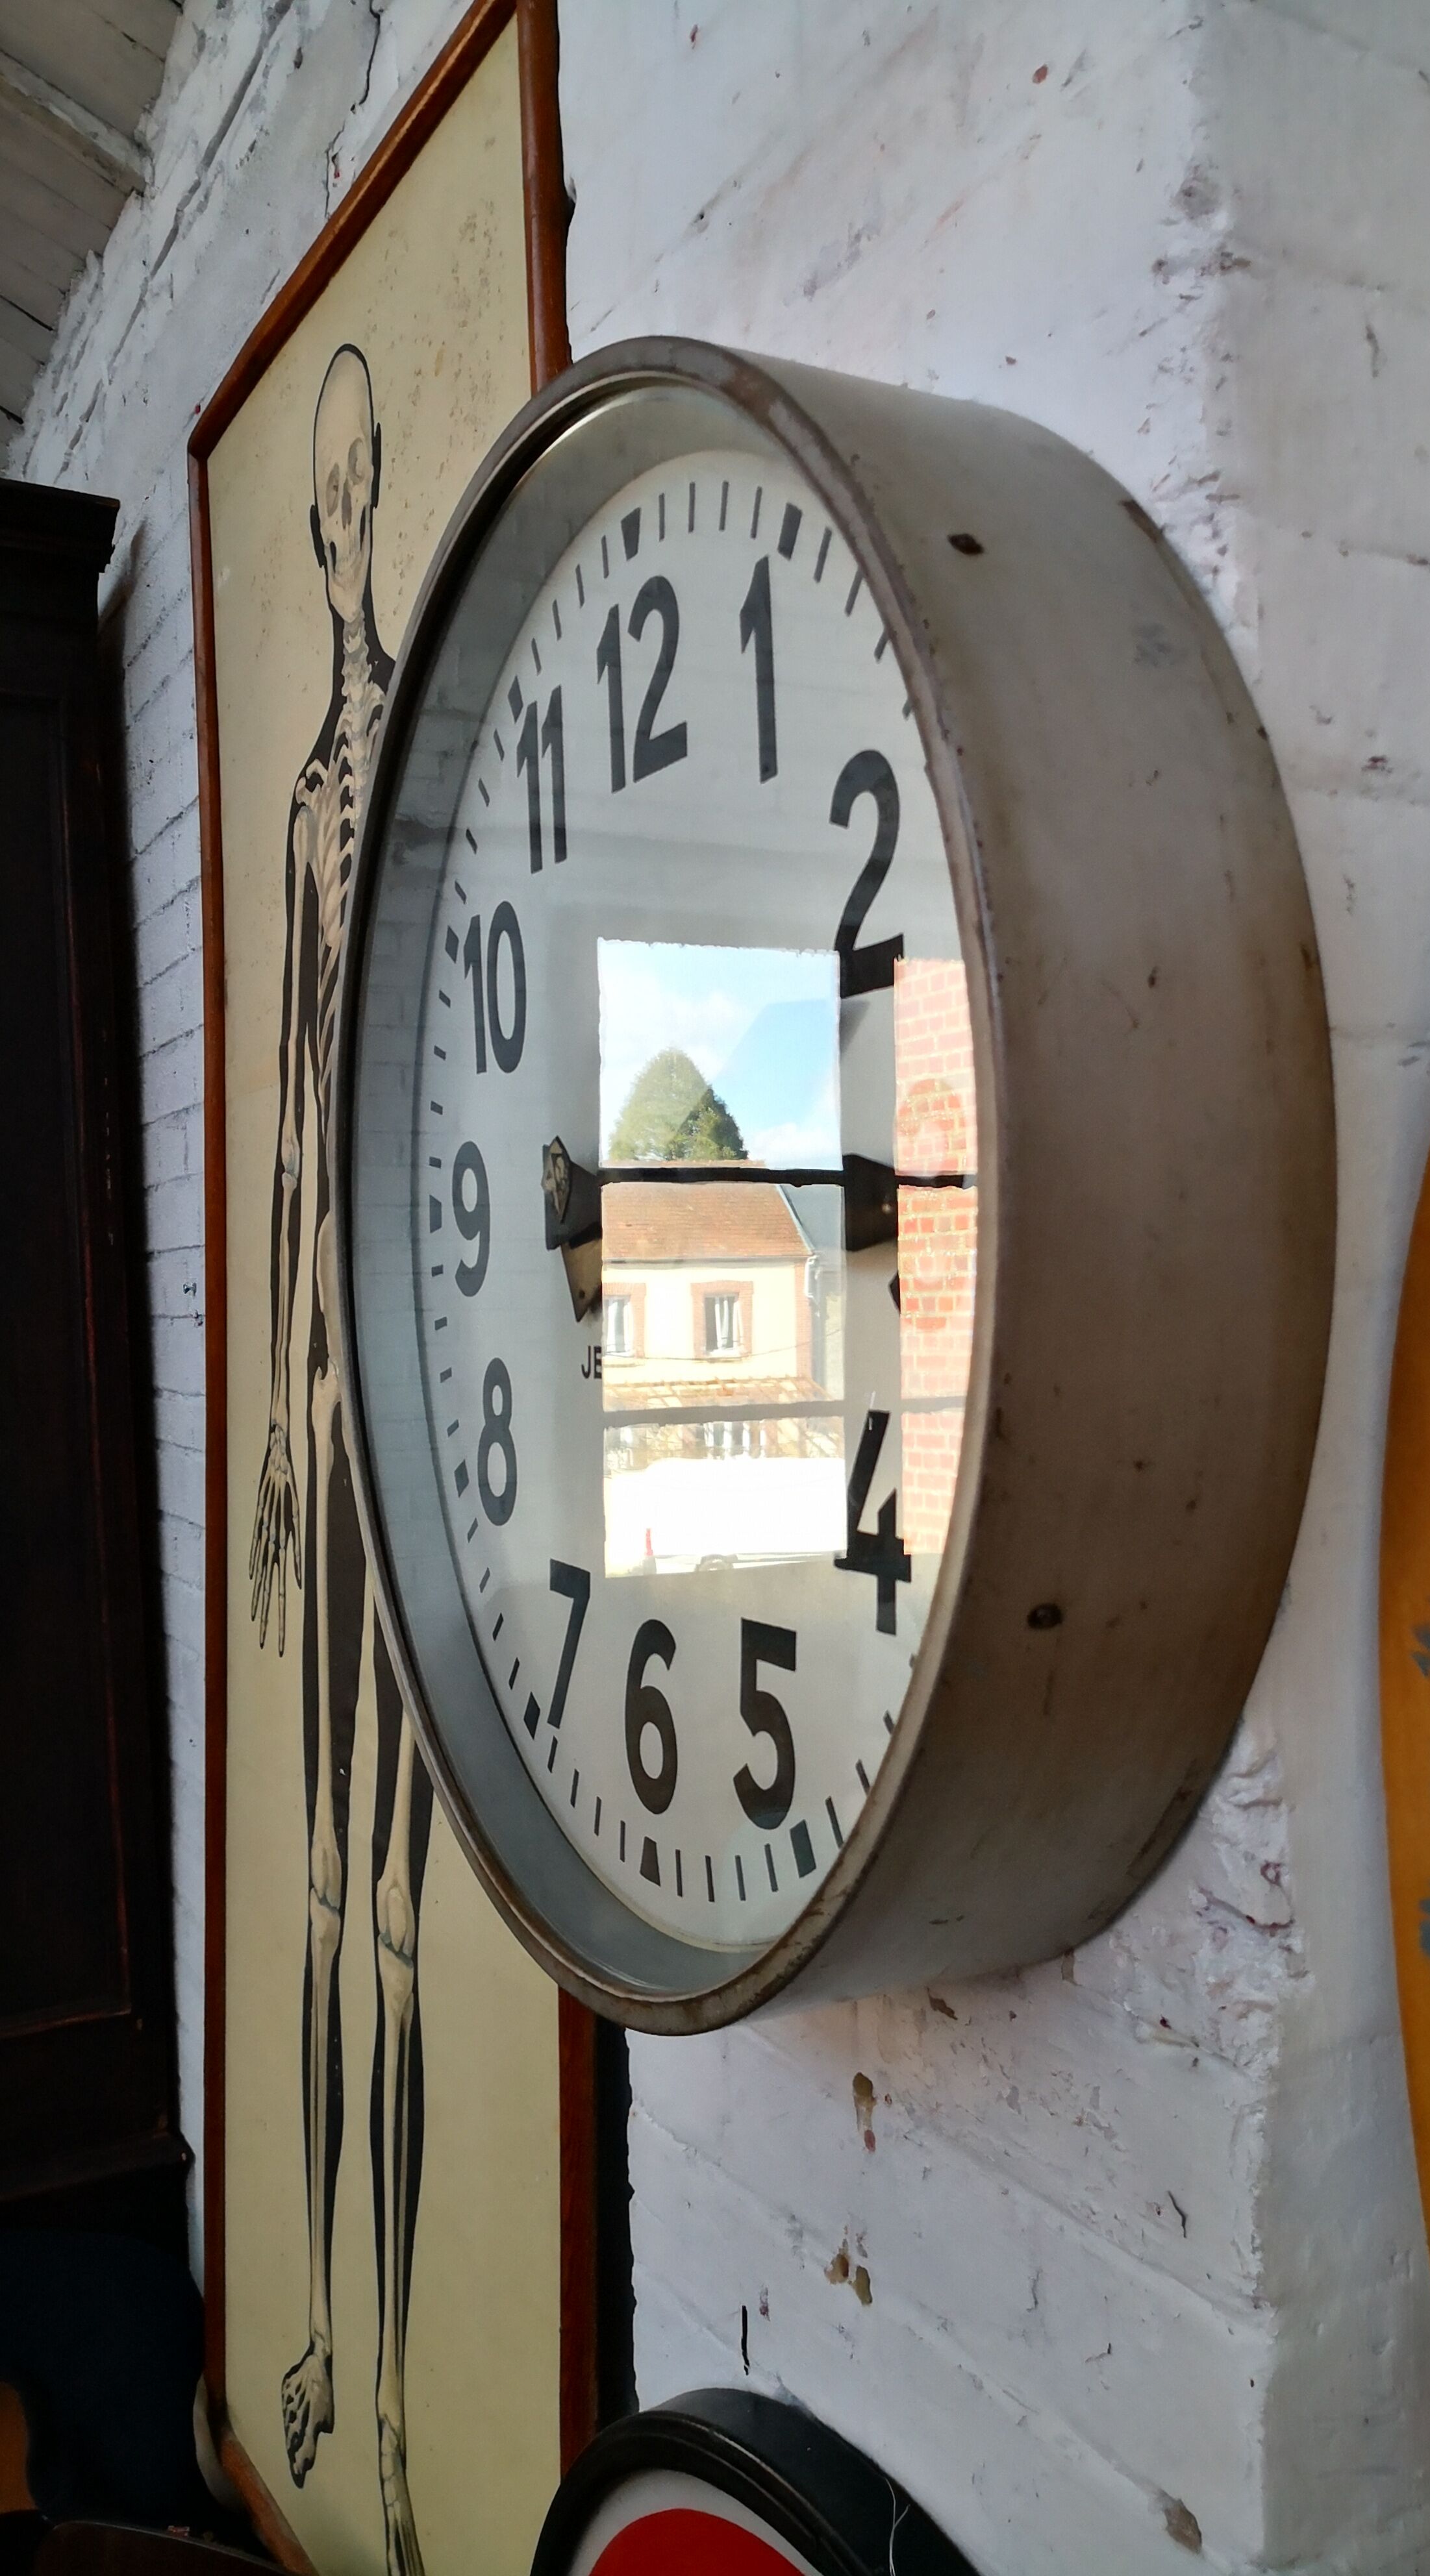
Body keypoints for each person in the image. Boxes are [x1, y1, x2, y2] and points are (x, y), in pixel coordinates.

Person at [247, 343, 429, 2576]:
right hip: (319, 1403)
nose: (347, 530)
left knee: (382, 1923)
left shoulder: (420, 768)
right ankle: (318, 2345)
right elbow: (295, 1138)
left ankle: (381, 2401)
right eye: (331, 500)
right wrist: (283, 1432)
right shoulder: (305, 795)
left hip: (416, 1380)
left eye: (366, 484)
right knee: (316, 1906)